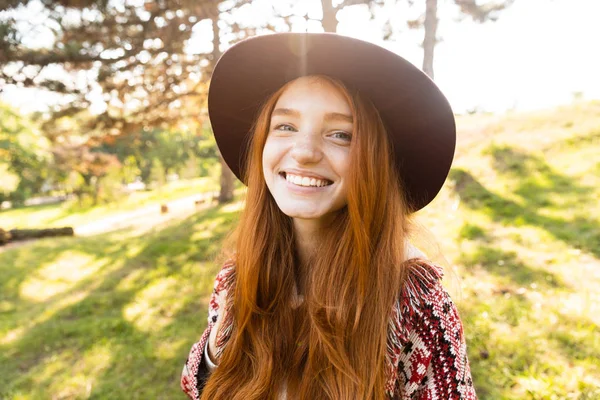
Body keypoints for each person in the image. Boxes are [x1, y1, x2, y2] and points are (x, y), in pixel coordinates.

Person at [181, 32, 476, 400]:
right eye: (285, 126)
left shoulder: (413, 303)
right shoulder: (236, 281)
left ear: (374, 160)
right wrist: (219, 342)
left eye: (340, 134)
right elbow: (200, 387)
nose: (303, 152)